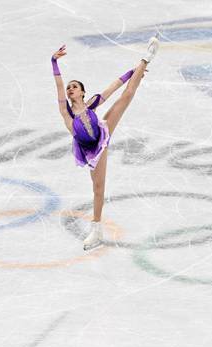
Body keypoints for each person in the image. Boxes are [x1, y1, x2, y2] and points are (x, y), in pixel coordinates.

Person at [51, 35, 159, 251]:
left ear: (82, 92)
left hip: (104, 130)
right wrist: (54, 62)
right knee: (98, 189)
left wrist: (133, 72)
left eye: (75, 87)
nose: (71, 89)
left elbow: (115, 87)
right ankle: (96, 230)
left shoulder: (91, 104)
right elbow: (59, 89)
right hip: (91, 151)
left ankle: (146, 58)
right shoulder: (67, 114)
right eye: (69, 88)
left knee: (127, 95)